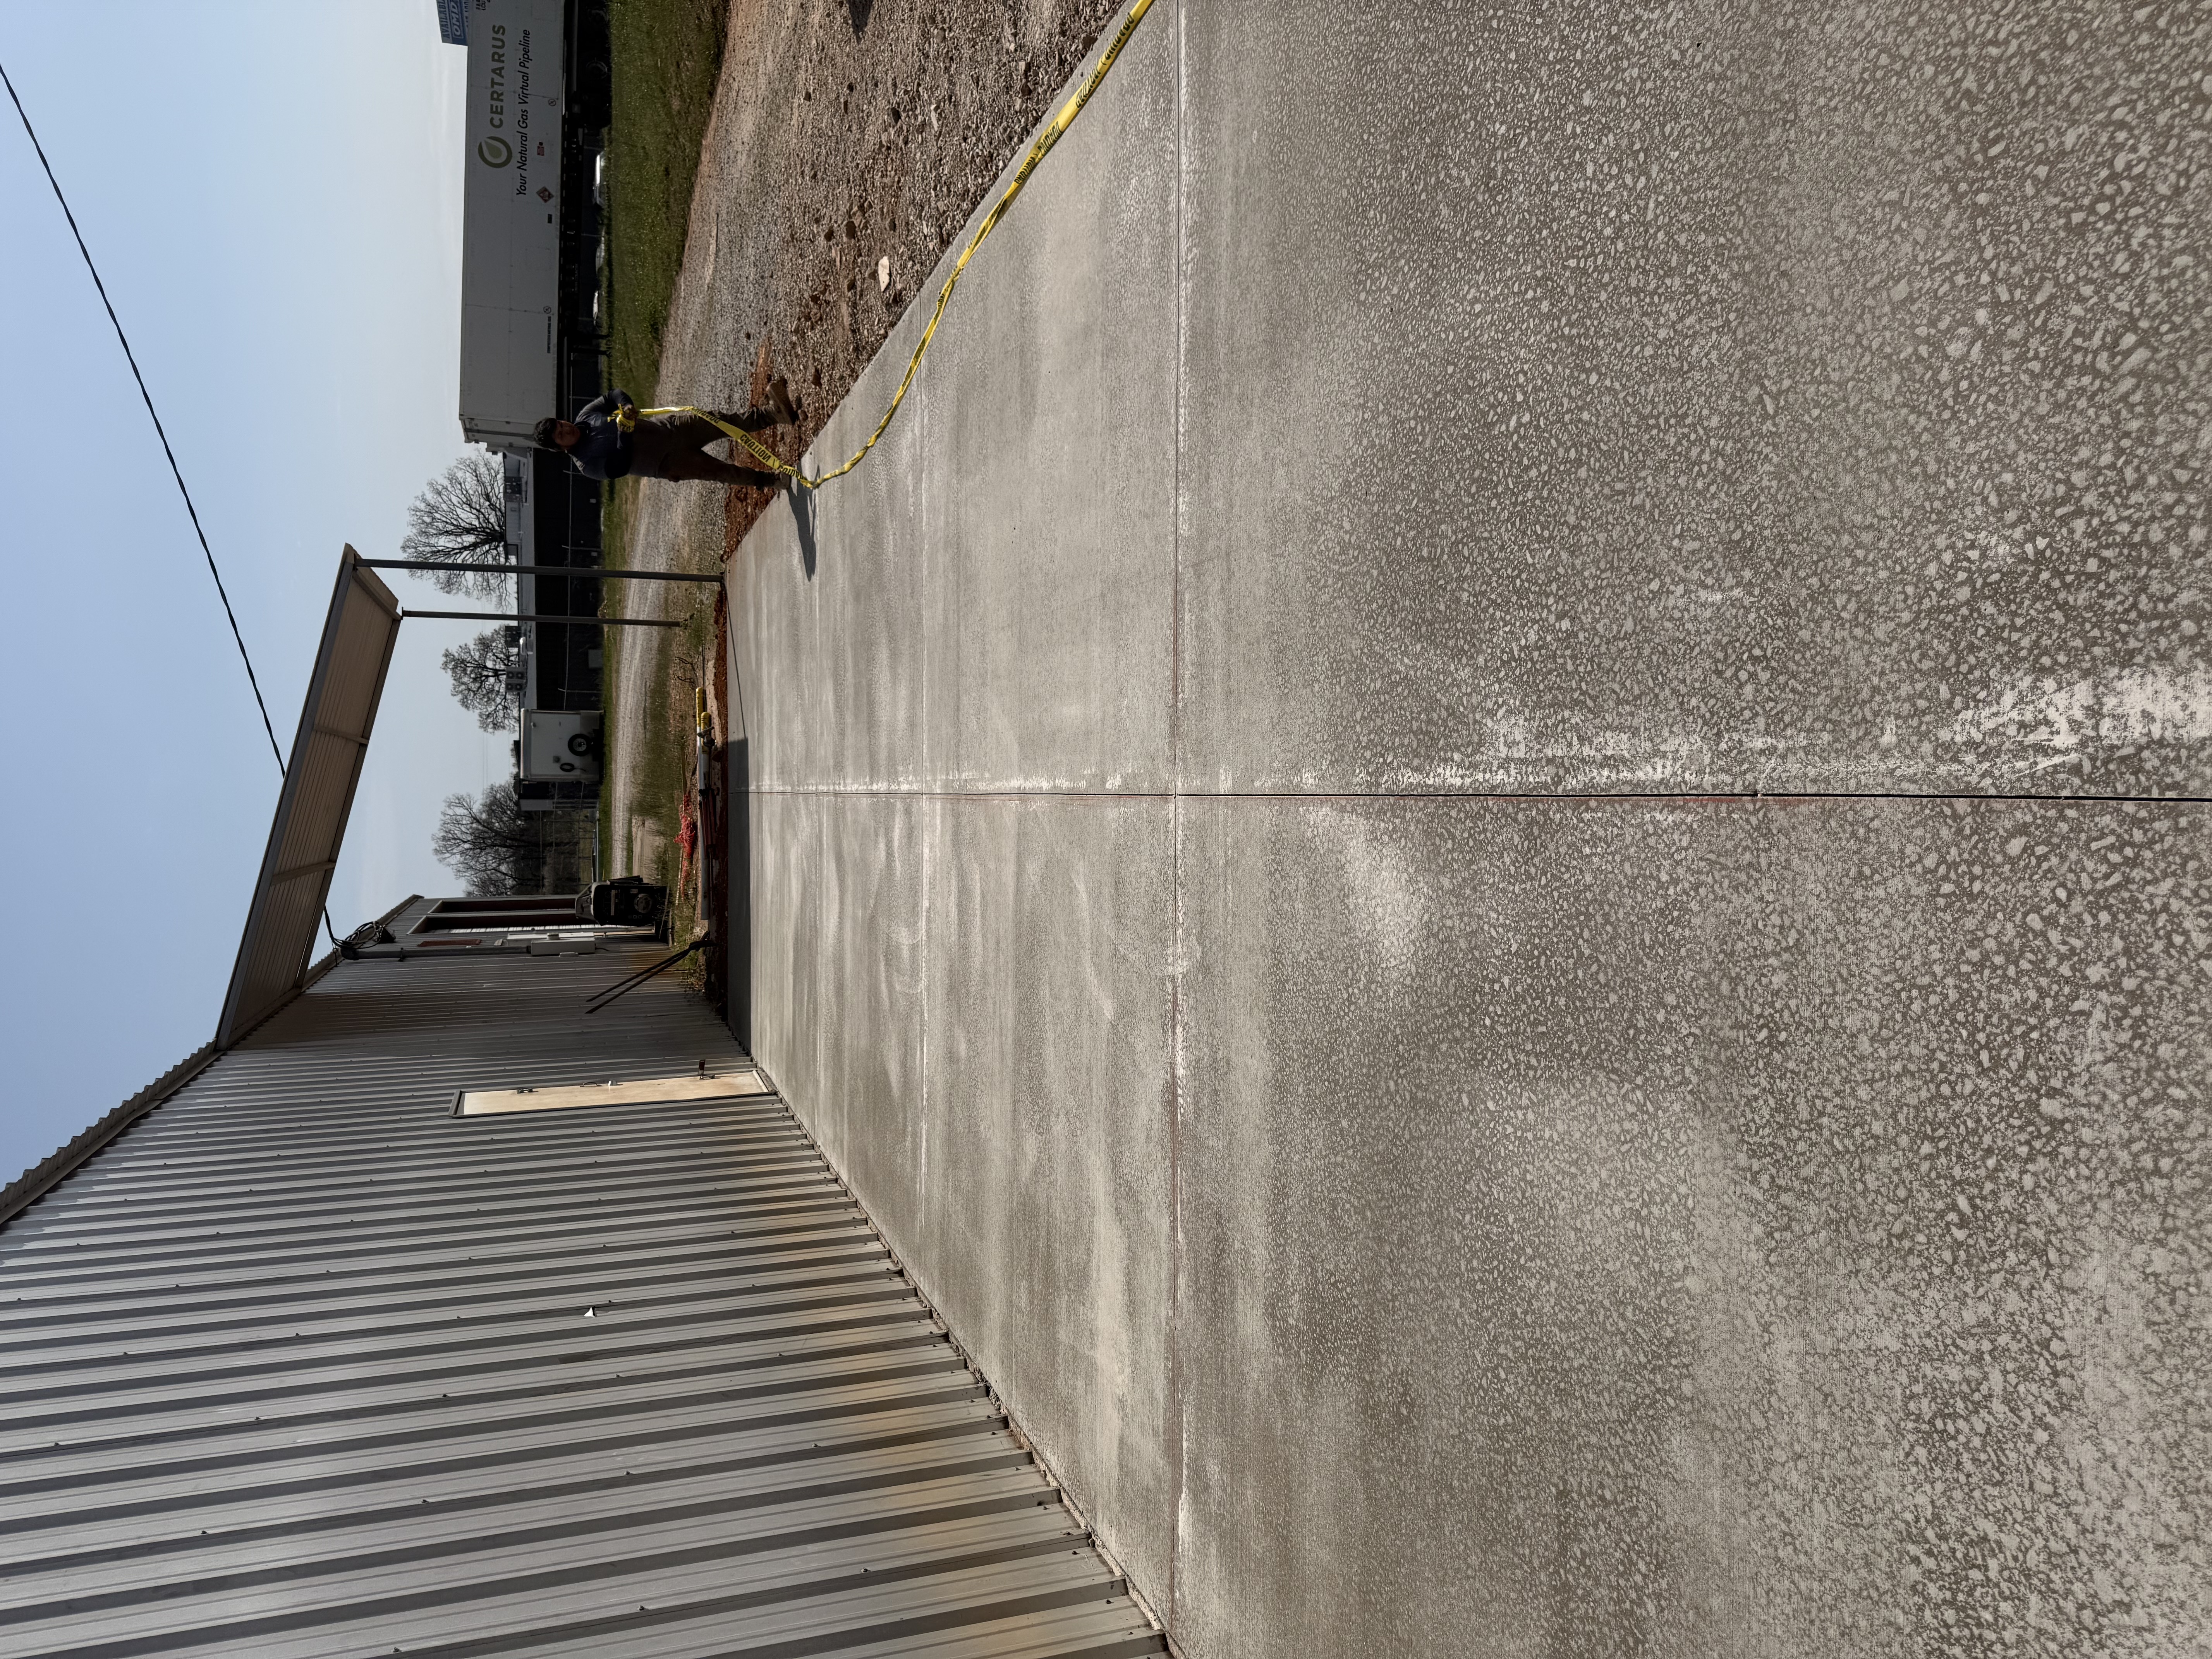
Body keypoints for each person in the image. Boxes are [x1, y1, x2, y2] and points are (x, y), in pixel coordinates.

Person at [533, 379, 800, 485]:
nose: (566, 429)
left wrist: (626, 405)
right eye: (560, 435)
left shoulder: (585, 416)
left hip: (671, 430)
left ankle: (771, 415)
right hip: (667, 463)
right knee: (721, 472)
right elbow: (619, 466)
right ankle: (771, 482)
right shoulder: (585, 464)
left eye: (561, 424)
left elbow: (612, 395)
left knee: (720, 420)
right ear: (560, 448)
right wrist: (624, 433)